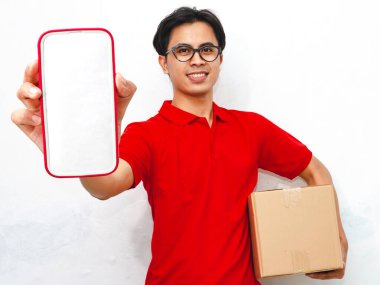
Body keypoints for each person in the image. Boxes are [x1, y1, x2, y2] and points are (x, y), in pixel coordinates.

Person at [12, 6, 348, 285]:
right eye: (183, 51)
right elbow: (105, 186)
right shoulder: (147, 134)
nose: (197, 60)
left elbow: (315, 170)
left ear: (219, 57)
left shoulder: (252, 128)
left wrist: (333, 239)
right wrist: (80, 145)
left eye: (207, 49)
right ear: (164, 62)